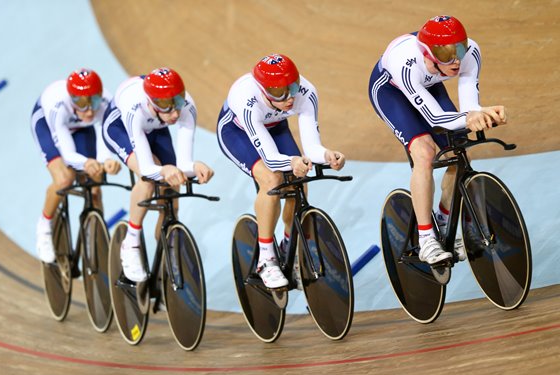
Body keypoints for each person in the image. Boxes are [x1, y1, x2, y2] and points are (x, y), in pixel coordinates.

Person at [368, 15, 507, 265]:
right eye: (446, 56)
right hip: (392, 92)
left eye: (460, 50)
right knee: (424, 153)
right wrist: (471, 117)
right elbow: (437, 118)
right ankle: (426, 239)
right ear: (429, 54)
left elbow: (469, 107)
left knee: (457, 152)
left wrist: (481, 114)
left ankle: (445, 220)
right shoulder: (406, 63)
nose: (456, 61)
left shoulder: (471, 53)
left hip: (429, 85)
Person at [216, 53, 345, 289]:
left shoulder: (305, 92)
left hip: (275, 128)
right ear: (264, 90)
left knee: (300, 181)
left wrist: (326, 155)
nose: (289, 98)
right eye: (279, 93)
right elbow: (270, 159)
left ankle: (289, 246)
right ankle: (266, 258)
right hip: (238, 132)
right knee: (272, 179)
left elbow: (312, 146)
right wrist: (293, 161)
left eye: (292, 87)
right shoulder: (246, 98)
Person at [102, 67, 214, 282]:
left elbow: (183, 164)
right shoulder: (135, 108)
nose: (174, 114)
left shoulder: (185, 106)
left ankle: (166, 249)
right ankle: (131, 242)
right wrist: (163, 169)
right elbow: (146, 168)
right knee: (149, 180)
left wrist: (195, 166)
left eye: (177, 104)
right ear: (152, 102)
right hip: (120, 129)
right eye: (167, 107)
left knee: (172, 191)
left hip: (155, 126)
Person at [31, 68, 121, 264]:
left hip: (82, 129)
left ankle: (95, 238)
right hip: (49, 126)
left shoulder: (107, 102)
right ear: (72, 99)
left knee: (95, 187)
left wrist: (106, 161)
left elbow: (107, 136)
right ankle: (44, 227)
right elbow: (68, 154)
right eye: (81, 104)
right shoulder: (57, 105)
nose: (89, 110)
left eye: (94, 102)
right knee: (65, 179)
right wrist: (86, 162)